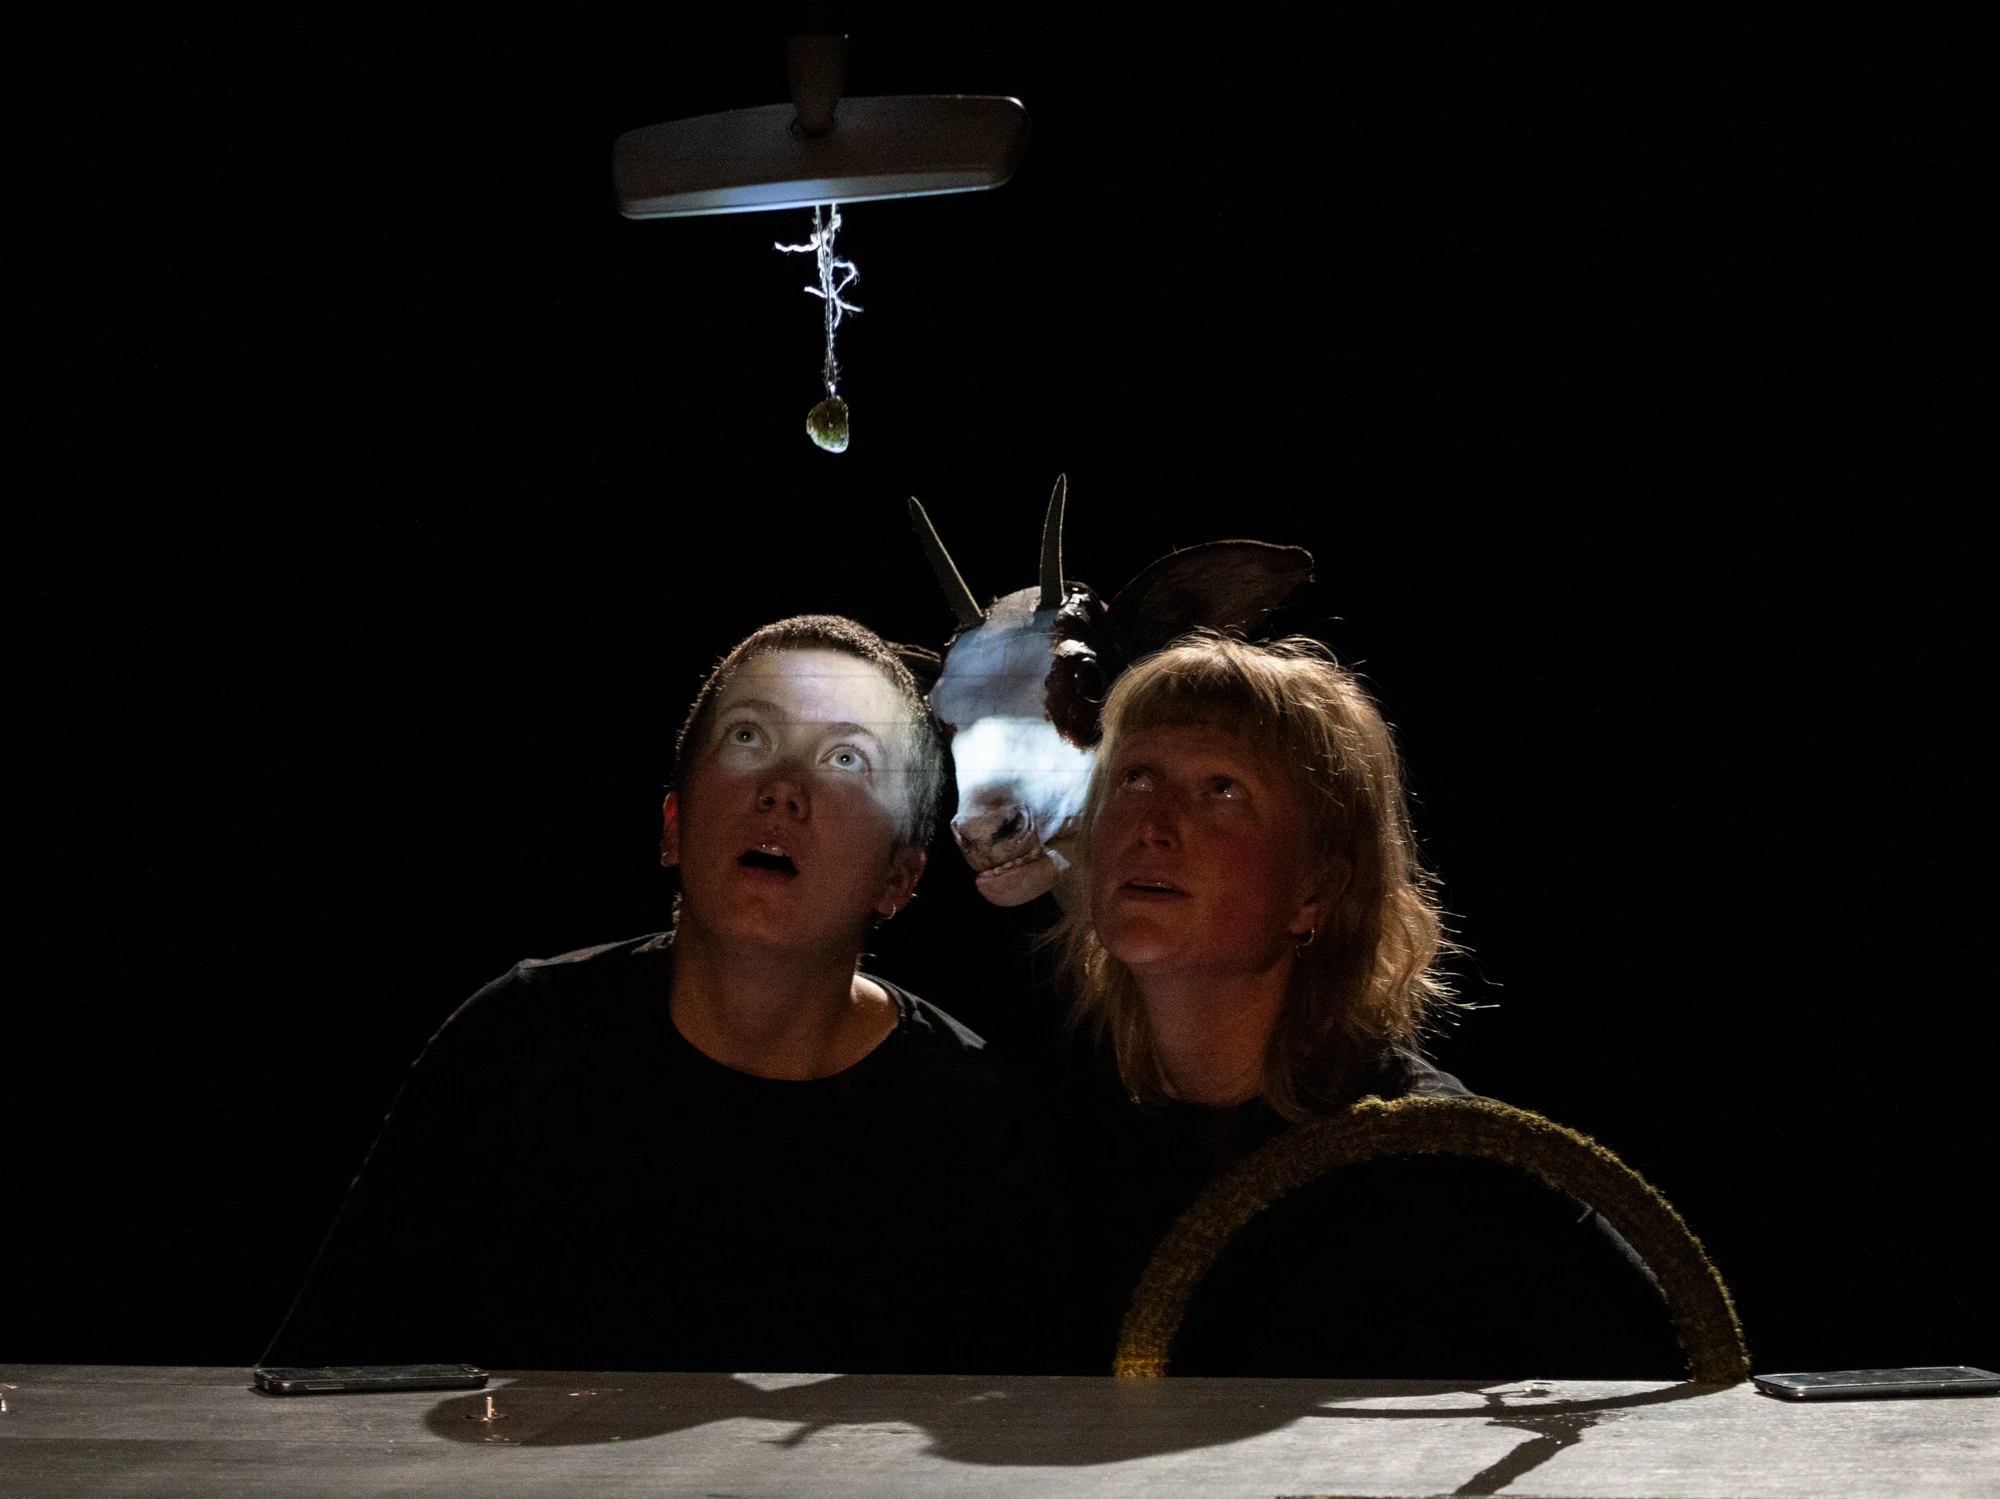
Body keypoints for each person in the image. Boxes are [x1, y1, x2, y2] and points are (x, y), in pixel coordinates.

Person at [265, 615, 1065, 1374]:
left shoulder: (972, 1120)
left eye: (847, 758)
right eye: (748, 737)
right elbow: (326, 1371)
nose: (783, 789)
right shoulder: (518, 1042)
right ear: (673, 823)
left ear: (899, 877)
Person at [1055, 632, 1685, 1377]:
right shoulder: (1052, 1139)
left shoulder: (1437, 1164)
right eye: (1134, 778)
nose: (1154, 826)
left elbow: (1673, 1377)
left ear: (1316, 889)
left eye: (1222, 788)